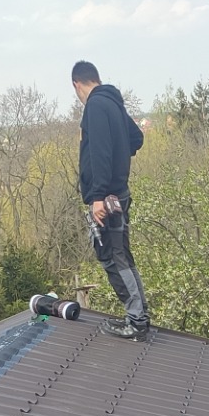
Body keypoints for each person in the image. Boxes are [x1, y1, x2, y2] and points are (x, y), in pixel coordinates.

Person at [72, 60, 149, 340]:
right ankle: (139, 316)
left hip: (106, 197)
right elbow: (136, 138)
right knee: (122, 256)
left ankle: (137, 322)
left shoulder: (95, 106)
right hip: (119, 193)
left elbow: (100, 152)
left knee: (112, 258)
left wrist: (98, 197)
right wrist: (120, 159)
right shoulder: (114, 102)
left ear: (77, 85)